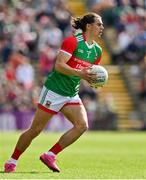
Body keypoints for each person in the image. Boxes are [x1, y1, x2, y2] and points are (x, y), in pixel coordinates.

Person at [4, 12, 104, 173]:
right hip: (54, 90)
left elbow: (88, 73)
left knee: (82, 126)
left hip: (71, 93)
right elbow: (59, 65)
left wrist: (93, 80)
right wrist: (81, 74)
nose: (102, 27)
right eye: (99, 24)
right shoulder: (72, 41)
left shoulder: (97, 51)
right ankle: (12, 160)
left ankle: (50, 155)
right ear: (88, 26)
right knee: (35, 130)